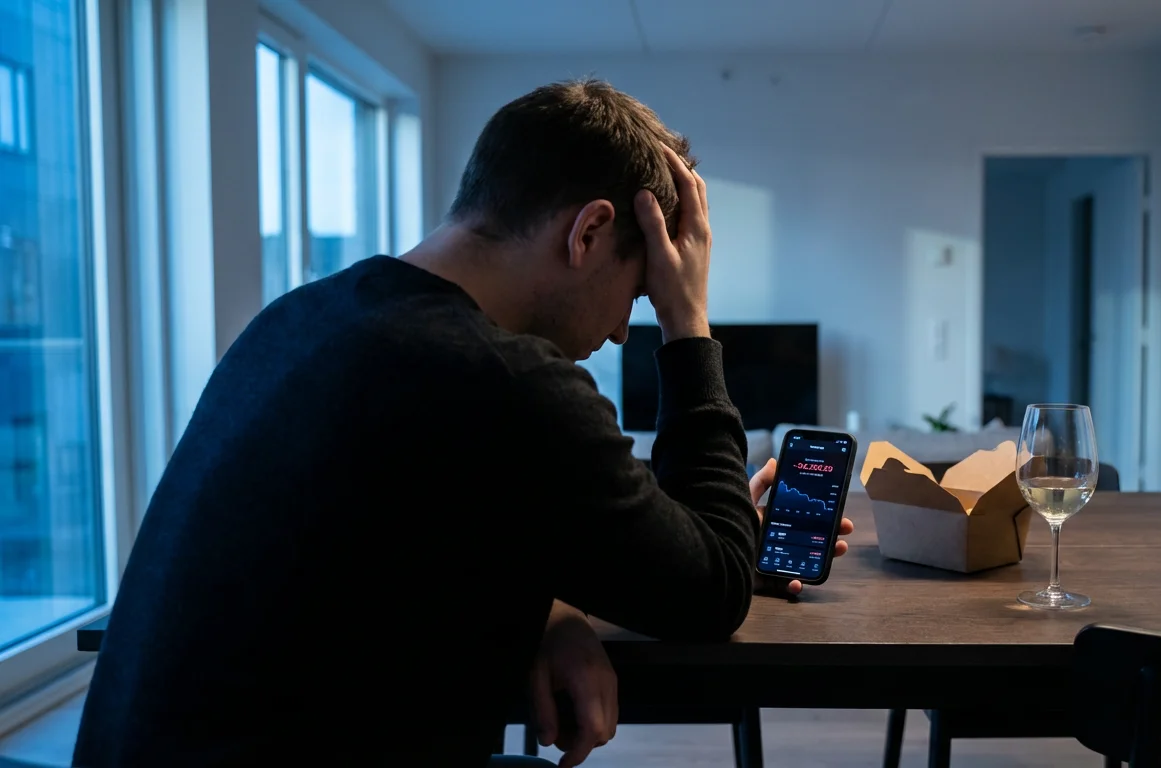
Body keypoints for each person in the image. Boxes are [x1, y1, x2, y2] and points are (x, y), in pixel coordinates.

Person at [73, 79, 853, 768]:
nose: (623, 332)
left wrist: (555, 604)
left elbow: (408, 534)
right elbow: (709, 594)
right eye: (640, 291)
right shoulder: (506, 381)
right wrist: (689, 323)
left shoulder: (303, 320)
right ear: (587, 233)